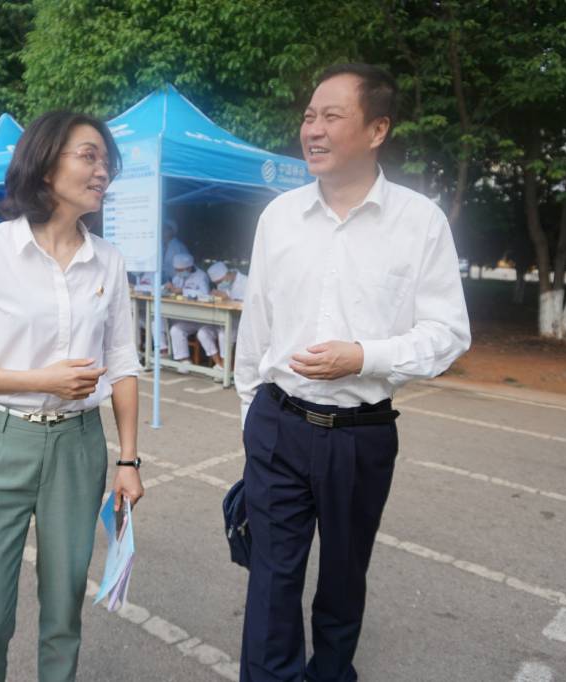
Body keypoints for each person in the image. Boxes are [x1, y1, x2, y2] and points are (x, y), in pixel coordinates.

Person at [234, 63, 471, 682]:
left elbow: (448, 333)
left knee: (343, 580)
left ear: (377, 130)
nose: (312, 129)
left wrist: (364, 356)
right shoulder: (278, 217)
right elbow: (255, 328)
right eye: (309, 116)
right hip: (278, 424)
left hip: (361, 435)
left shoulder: (419, 222)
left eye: (331, 116)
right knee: (271, 581)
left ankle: (332, 673)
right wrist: (251, 421)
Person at [0, 110, 144, 682]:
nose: (102, 171)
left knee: (63, 612)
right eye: (89, 157)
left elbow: (123, 362)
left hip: (79, 447)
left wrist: (128, 460)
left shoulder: (108, 260)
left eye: (106, 161)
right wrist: (42, 379)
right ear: (45, 166)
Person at [195, 260, 248, 372]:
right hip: (221, 321)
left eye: (220, 281)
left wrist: (228, 298)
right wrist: (213, 298)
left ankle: (224, 367)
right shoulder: (223, 284)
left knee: (223, 335)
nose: (219, 285)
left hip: (239, 323)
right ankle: (220, 365)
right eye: (217, 283)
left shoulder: (245, 281)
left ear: (227, 274)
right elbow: (221, 301)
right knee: (202, 332)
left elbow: (248, 305)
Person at [165, 253, 211, 372]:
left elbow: (205, 295)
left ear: (189, 267)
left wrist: (183, 291)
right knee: (173, 328)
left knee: (174, 327)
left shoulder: (201, 276)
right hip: (183, 315)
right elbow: (174, 291)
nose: (178, 273)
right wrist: (169, 288)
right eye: (176, 270)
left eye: (180, 270)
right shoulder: (177, 277)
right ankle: (183, 360)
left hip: (200, 317)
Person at [160, 217, 190, 283]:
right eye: (162, 228)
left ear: (172, 231)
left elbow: (185, 268)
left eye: (165, 229)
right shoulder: (161, 246)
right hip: (164, 281)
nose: (162, 231)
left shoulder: (179, 246)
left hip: (178, 282)